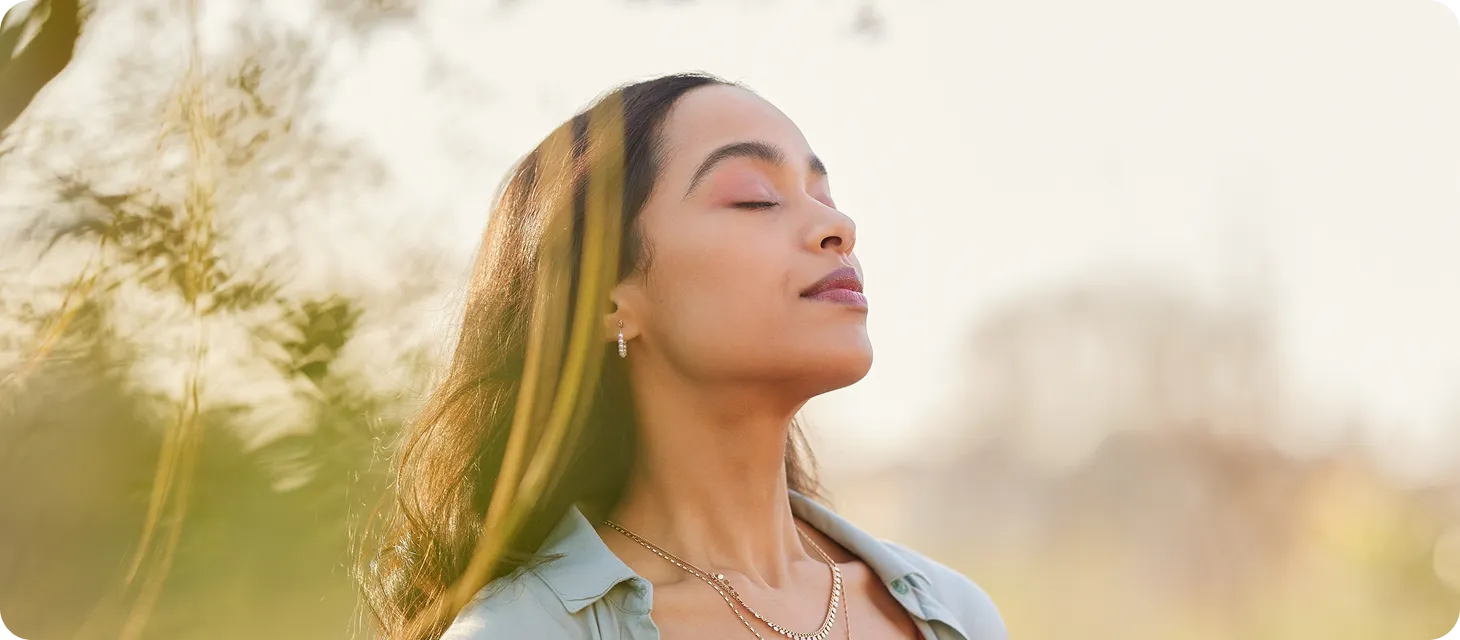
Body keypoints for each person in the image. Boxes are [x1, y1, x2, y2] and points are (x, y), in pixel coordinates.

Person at [361, 72, 1007, 640]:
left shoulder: (953, 615)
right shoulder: (523, 632)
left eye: (825, 199)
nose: (839, 229)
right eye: (756, 197)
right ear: (606, 302)